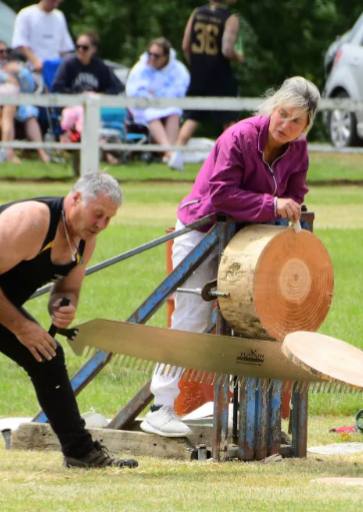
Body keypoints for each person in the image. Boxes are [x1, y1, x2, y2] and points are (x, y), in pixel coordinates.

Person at [141, 77, 321, 437]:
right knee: (191, 318)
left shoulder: (298, 150)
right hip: (201, 232)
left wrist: (288, 212)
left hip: (246, 241)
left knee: (256, 321)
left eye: (296, 121)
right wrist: (272, 204)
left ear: (307, 126)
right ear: (272, 107)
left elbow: (296, 195)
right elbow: (221, 195)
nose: (286, 125)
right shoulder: (238, 137)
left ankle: (252, 419)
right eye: (282, 114)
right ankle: (160, 407)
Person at [0, 172, 138, 469]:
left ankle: (80, 453)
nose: (101, 225)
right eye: (98, 214)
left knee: (47, 356)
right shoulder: (33, 220)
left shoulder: (84, 240)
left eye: (109, 219)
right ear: (76, 198)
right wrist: (23, 328)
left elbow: (68, 288)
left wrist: (65, 305)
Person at [167, 0, 244, 172]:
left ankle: (177, 155)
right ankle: (231, 160)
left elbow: (186, 45)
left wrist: (195, 65)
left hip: (199, 72)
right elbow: (226, 49)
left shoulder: (196, 12)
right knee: (228, 117)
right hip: (220, 73)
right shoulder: (230, 18)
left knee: (193, 116)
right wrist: (238, 56)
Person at [53, 31, 123, 164]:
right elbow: (57, 85)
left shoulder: (99, 66)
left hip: (95, 107)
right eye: (77, 46)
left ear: (93, 49)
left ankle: (100, 150)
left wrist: (98, 96)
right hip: (72, 106)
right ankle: (101, 150)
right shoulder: (69, 64)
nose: (80, 50)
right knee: (81, 115)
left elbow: (116, 87)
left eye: (84, 47)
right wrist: (77, 95)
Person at [125, 37, 190, 163]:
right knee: (152, 114)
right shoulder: (140, 69)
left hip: (167, 106)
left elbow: (179, 91)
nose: (152, 58)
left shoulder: (178, 70)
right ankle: (171, 155)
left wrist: (156, 95)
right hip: (144, 108)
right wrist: (153, 97)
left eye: (156, 55)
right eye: (150, 54)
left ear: (166, 57)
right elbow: (134, 91)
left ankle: (168, 155)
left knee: (174, 112)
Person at [12, 0, 75, 73]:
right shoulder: (26, 14)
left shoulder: (59, 16)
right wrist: (35, 61)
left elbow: (65, 48)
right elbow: (20, 42)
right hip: (32, 69)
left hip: (55, 68)